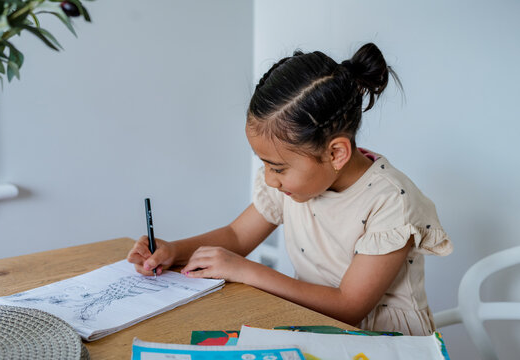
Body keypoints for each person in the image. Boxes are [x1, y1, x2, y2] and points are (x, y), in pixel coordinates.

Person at [127, 43, 452, 336]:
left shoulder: (391, 201)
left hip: (384, 342)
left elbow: (349, 307)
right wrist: (174, 251)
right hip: (312, 325)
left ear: (336, 153)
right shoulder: (294, 186)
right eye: (265, 164)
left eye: (278, 168)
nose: (269, 179)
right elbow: (237, 237)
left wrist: (244, 270)